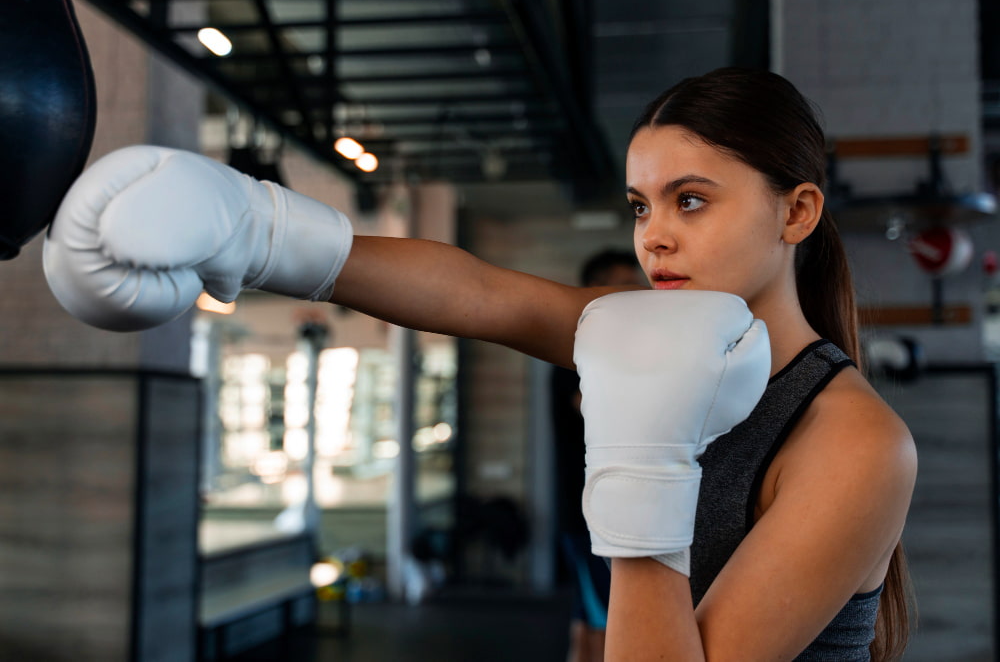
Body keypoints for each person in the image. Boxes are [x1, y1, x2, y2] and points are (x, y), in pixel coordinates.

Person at [43, 67, 916, 660]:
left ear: (796, 211)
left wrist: (643, 455)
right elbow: (481, 293)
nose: (653, 234)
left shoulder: (854, 444)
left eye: (692, 200)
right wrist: (264, 232)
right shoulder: (644, 328)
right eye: (641, 203)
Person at [550, 250, 645, 662]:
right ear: (600, 294)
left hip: (604, 519)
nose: (641, 292)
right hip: (590, 519)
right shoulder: (579, 354)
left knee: (590, 624)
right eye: (628, 284)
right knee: (612, 629)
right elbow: (605, 407)